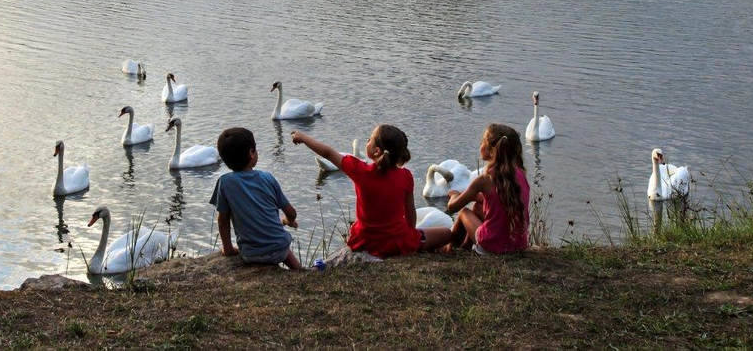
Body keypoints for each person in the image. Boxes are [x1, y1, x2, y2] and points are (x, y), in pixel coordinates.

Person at [291, 124, 452, 257]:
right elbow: (410, 213)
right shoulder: (406, 176)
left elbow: (328, 152)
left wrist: (303, 137)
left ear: (376, 151)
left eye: (370, 138)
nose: (367, 140)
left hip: (365, 242)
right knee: (446, 233)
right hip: (397, 241)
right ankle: (438, 250)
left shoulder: (359, 171)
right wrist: (410, 237)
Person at [209, 127, 302, 269]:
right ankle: (300, 270)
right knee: (281, 246)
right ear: (251, 153)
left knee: (276, 245)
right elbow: (292, 213)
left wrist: (228, 249)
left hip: (250, 255)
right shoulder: (267, 178)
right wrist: (289, 220)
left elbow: (223, 220)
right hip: (279, 250)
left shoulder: (224, 183)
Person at [444, 123, 530, 254]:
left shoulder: (484, 179)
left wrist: (454, 195)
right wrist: (475, 197)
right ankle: (465, 247)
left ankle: (449, 249)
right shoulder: (521, 174)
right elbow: (499, 200)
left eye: (482, 141)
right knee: (478, 207)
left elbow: (452, 207)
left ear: (491, 150)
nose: (480, 145)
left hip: (492, 247)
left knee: (464, 213)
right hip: (519, 245)